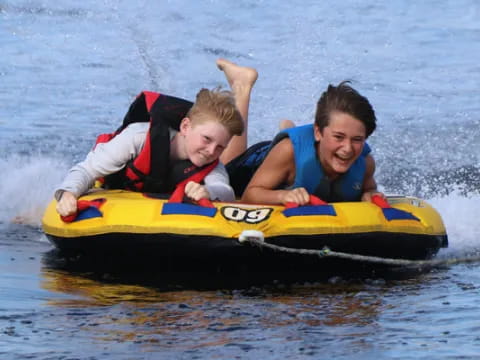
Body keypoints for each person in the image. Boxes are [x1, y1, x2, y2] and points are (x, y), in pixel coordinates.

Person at [55, 58, 258, 218]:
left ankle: (241, 89)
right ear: (185, 126)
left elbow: (225, 190)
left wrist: (208, 191)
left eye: (221, 147)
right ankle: (241, 88)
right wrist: (67, 194)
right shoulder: (138, 137)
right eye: (206, 139)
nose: (212, 151)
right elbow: (86, 170)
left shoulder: (212, 162)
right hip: (115, 189)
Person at [235, 81, 383, 206]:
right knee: (227, 164)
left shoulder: (365, 163)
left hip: (307, 149)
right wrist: (282, 196)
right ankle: (242, 87)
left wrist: (370, 194)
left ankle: (289, 127)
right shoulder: (288, 152)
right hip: (258, 162)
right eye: (339, 137)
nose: (348, 149)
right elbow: (248, 196)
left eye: (357, 139)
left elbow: (369, 189)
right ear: (318, 132)